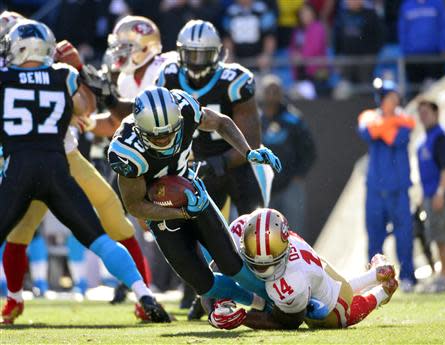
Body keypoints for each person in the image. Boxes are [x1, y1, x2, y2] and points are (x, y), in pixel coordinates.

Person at [0, 20, 169, 324]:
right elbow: (85, 107)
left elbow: (87, 114)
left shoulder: (5, 76)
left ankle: (14, 298)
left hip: (28, 162)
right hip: (57, 165)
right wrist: (78, 76)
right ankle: (142, 290)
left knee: (112, 217)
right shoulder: (62, 75)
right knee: (94, 235)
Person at [107, 85, 281, 314]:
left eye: (170, 131)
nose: (165, 139)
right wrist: (181, 213)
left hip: (190, 189)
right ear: (140, 130)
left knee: (232, 263)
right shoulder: (125, 149)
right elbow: (134, 205)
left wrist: (247, 152)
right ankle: (260, 304)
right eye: (157, 136)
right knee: (204, 284)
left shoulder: (185, 107)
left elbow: (220, 122)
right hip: (158, 209)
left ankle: (280, 299)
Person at [207, 208, 398, 330]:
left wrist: (243, 318)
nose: (261, 268)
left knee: (342, 317)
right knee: (330, 288)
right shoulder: (276, 235)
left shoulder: (290, 281)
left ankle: (382, 292)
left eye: (268, 263)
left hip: (328, 301)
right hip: (321, 272)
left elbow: (287, 322)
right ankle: (375, 274)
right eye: (256, 262)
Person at [157, 20, 273, 215]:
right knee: (201, 234)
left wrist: (215, 163)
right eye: (190, 54)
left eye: (202, 55)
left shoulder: (235, 80)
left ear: (216, 53)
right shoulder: (168, 77)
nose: (195, 61)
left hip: (239, 166)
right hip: (197, 166)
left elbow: (251, 142)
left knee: (256, 226)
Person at [357, 79, 416, 292]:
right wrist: (386, 125)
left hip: (399, 189)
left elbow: (394, 139)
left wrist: (381, 127)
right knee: (374, 236)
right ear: (381, 100)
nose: (394, 101)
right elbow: (367, 132)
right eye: (389, 97)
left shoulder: (405, 119)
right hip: (375, 189)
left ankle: (408, 277)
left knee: (404, 235)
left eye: (394, 97)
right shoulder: (370, 116)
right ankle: (374, 280)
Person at [260, 75, 316, 232]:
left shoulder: (293, 119)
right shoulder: (257, 120)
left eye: (275, 90)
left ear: (281, 93)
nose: (271, 94)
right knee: (265, 232)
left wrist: (299, 175)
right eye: (268, 90)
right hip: (266, 187)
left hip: (291, 185)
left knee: (294, 232)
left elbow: (309, 150)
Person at [417, 100, 445, 292]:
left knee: (444, 237)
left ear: (436, 114)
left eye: (426, 112)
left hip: (441, 196)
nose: (423, 116)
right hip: (430, 196)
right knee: (437, 237)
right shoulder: (425, 140)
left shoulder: (441, 138)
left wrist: (440, 192)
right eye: (420, 112)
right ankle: (443, 274)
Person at [398, 0, 445, 86]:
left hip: (434, 55)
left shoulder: (438, 3)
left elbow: (444, 26)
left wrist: (443, 48)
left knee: (435, 90)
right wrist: (405, 51)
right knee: (415, 90)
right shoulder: (406, 5)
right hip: (413, 57)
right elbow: (402, 30)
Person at [333, 0, 383, 84]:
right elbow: (336, 38)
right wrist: (337, 55)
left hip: (366, 59)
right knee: (344, 85)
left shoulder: (371, 15)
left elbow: (380, 36)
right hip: (347, 58)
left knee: (365, 84)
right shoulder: (341, 15)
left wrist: (373, 54)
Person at [222, 0, 277, 71]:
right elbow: (227, 37)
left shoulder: (263, 11)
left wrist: (266, 55)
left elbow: (269, 36)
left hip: (258, 63)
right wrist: (229, 55)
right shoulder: (230, 12)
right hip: (237, 62)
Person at [288, 3, 328, 96]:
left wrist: (301, 57)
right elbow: (292, 47)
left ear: (313, 14)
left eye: (307, 13)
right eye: (302, 13)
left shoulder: (318, 28)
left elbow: (315, 48)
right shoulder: (297, 30)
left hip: (314, 73)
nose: (305, 15)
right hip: (299, 72)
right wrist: (293, 55)